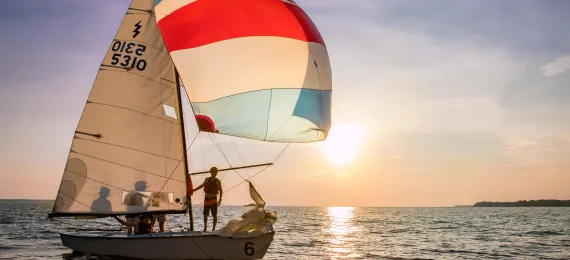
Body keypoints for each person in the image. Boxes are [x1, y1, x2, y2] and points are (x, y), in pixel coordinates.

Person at [193, 167, 223, 232]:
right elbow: (202, 186)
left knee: (214, 215)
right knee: (205, 214)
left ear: (217, 173)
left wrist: (220, 199)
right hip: (206, 199)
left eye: (215, 172)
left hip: (214, 199)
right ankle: (205, 227)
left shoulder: (218, 181)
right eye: (213, 172)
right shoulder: (207, 179)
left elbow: (220, 190)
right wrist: (194, 190)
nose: (214, 173)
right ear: (210, 172)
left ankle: (213, 228)